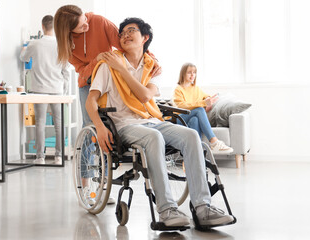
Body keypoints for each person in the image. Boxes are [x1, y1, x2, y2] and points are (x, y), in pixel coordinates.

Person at [86, 17, 235, 228]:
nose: (125, 35)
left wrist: (122, 70)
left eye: (131, 31)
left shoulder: (152, 68)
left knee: (191, 135)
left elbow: (145, 97)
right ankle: (167, 210)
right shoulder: (107, 65)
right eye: (122, 33)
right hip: (124, 126)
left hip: (151, 120)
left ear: (145, 37)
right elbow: (90, 100)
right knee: (154, 137)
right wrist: (99, 127)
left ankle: (203, 208)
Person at [53, 4, 160, 127]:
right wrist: (96, 60)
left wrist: (150, 57)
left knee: (108, 123)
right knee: (89, 124)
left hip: (107, 76)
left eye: (85, 19)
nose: (86, 25)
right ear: (69, 31)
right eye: (81, 26)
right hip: (87, 81)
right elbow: (82, 72)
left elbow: (124, 43)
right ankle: (88, 144)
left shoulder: (99, 21)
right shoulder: (67, 45)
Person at [20, 15, 69, 164]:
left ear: (42, 27)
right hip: (57, 89)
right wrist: (64, 91)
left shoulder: (35, 44)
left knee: (40, 122)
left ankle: (40, 157)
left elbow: (23, 58)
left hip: (39, 89)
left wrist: (24, 48)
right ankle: (59, 156)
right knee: (59, 124)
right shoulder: (61, 45)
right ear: (55, 28)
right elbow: (66, 70)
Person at [173, 63, 233, 153]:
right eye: (189, 72)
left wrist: (208, 100)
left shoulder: (196, 88)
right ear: (183, 74)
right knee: (200, 110)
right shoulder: (178, 89)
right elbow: (181, 105)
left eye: (194, 72)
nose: (192, 75)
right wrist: (203, 103)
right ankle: (214, 141)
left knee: (194, 120)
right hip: (180, 117)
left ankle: (197, 151)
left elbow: (206, 96)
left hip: (191, 117)